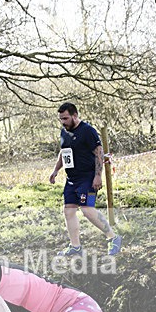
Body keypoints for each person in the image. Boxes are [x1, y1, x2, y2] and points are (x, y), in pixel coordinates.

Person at [50, 102, 122, 257]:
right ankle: (75, 246)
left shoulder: (88, 131)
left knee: (87, 209)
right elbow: (64, 153)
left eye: (66, 118)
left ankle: (113, 237)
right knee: (68, 211)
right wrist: (56, 170)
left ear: (75, 115)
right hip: (71, 179)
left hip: (87, 178)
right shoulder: (64, 132)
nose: (63, 122)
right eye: (61, 119)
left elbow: (99, 153)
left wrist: (98, 176)